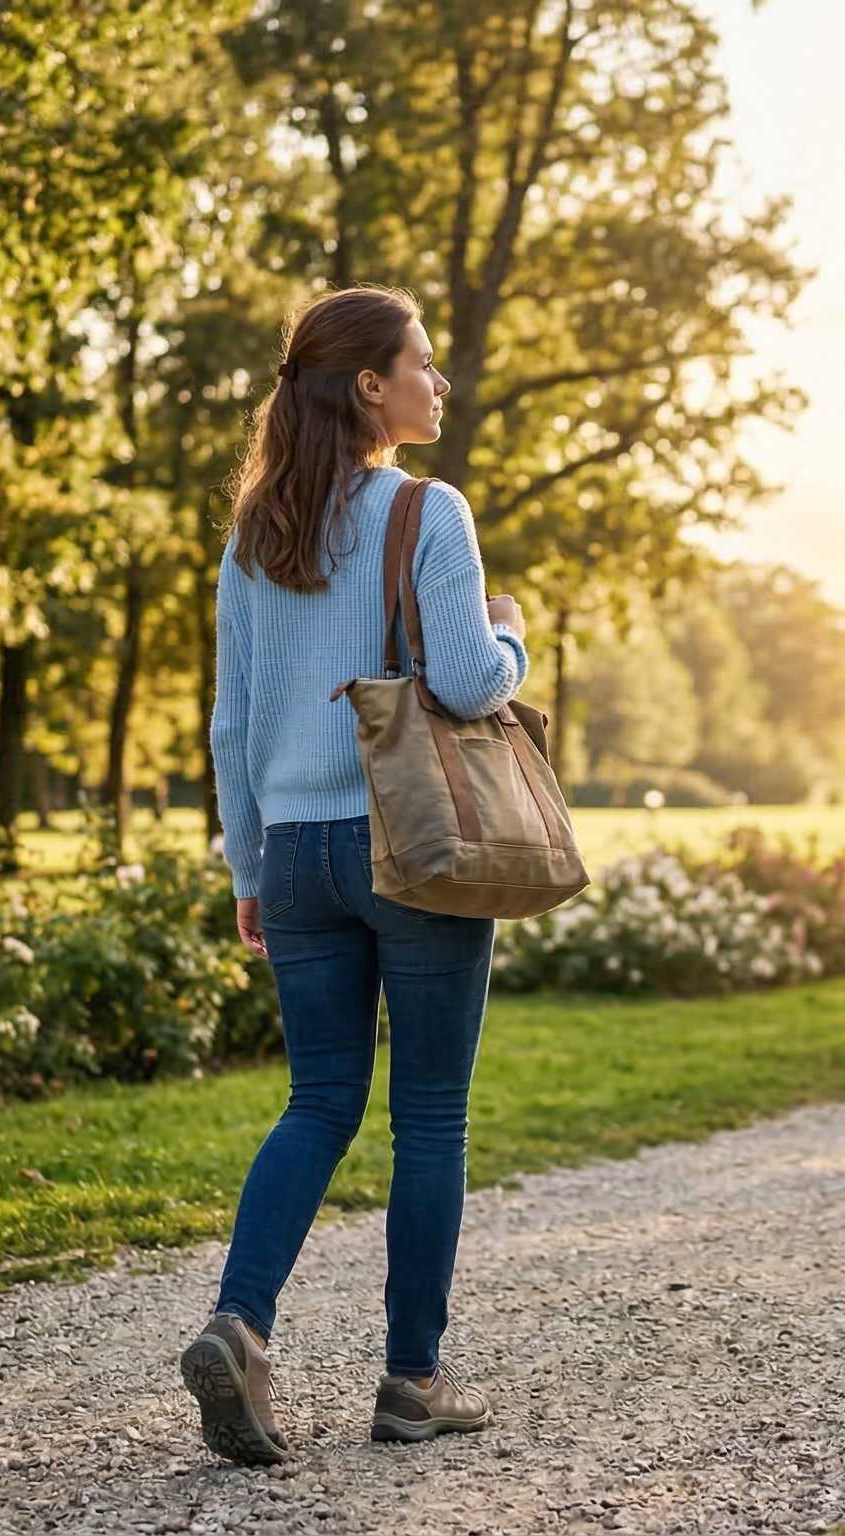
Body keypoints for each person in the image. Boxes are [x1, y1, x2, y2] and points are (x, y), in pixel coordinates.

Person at [179, 284, 532, 1467]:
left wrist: (248, 864)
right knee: (429, 1114)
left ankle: (240, 1326)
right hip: (409, 847)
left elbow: (231, 726)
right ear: (369, 387)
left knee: (319, 1103)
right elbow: (476, 683)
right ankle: (411, 1384)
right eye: (420, 365)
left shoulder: (251, 536)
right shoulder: (428, 512)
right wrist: (515, 632)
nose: (439, 383)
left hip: (292, 855)